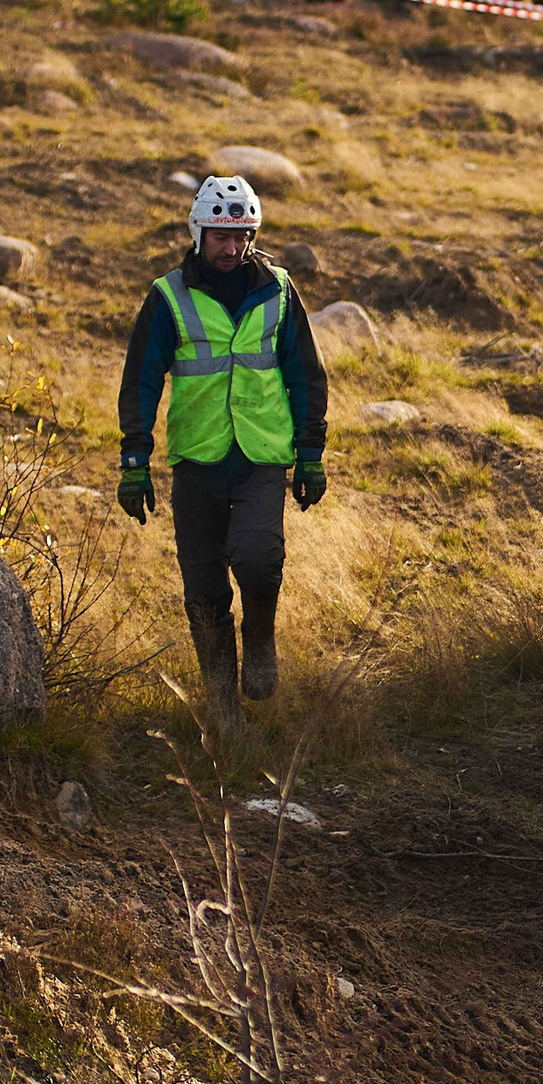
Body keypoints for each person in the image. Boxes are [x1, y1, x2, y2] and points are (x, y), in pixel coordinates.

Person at [116, 175, 330, 719]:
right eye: (221, 237)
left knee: (259, 561)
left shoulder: (279, 289)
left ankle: (260, 641)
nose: (233, 248)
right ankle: (221, 704)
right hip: (197, 459)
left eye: (243, 236)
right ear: (198, 232)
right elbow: (140, 379)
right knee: (204, 587)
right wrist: (134, 461)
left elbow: (305, 374)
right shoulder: (168, 296)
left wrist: (310, 453)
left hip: (261, 457)